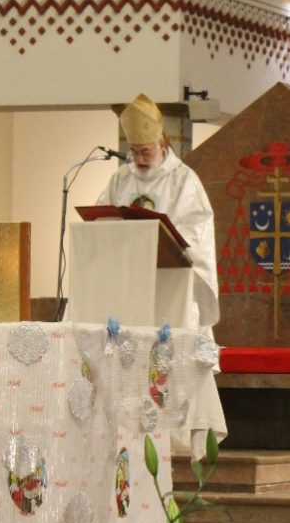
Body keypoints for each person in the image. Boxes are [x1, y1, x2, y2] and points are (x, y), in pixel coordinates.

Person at [97, 93, 227, 458]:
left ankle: (177, 440)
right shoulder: (120, 179)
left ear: (162, 143)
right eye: (135, 152)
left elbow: (197, 232)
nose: (140, 159)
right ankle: (124, 433)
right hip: (129, 286)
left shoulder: (184, 181)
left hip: (170, 285)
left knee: (170, 354)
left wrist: (162, 235)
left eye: (146, 152)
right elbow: (102, 218)